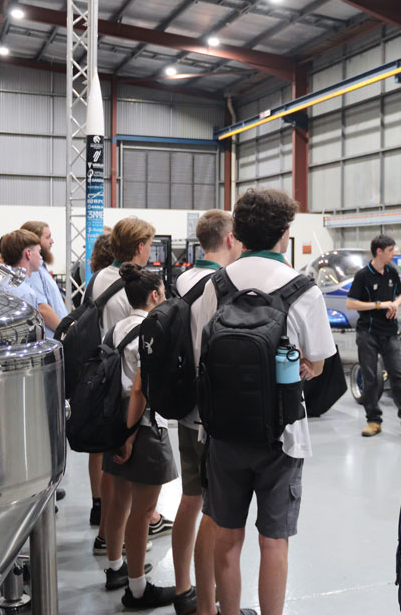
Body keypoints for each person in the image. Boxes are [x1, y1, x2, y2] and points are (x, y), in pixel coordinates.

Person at [205, 189, 334, 615]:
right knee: (273, 540)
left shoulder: (218, 284)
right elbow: (316, 363)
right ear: (285, 233)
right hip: (282, 435)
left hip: (223, 431)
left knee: (226, 536)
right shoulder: (302, 288)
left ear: (237, 233)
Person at [171, 210, 243, 615]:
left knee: (190, 499)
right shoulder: (217, 284)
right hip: (208, 413)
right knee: (214, 512)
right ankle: (207, 605)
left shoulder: (182, 280)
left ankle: (185, 588)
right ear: (230, 238)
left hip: (185, 408)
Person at [91, 218, 173, 557]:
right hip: (131, 399)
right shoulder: (131, 290)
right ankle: (127, 540)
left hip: (107, 385)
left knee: (114, 473)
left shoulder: (99, 279)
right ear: (140, 247)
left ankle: (109, 540)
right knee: (128, 486)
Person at [103, 262, 178, 608]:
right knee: (143, 510)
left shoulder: (116, 329)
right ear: (155, 294)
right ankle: (137, 589)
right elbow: (139, 389)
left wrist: (120, 431)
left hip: (114, 420)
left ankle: (117, 566)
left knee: (119, 500)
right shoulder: (150, 330)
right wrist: (131, 436)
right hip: (142, 427)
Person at [346, 235, 401, 438]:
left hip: (390, 334)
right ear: (379, 251)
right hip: (368, 334)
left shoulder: (392, 272)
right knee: (371, 380)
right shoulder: (362, 276)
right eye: (391, 250)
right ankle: (373, 421)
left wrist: (395, 303)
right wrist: (379, 305)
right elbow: (351, 303)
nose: (394, 254)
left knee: (399, 378)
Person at [0, 230, 61, 335]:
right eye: (39, 252)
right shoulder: (24, 292)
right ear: (28, 253)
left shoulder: (4, 284)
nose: (40, 257)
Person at [21, 221, 69, 339]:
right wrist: (64, 332)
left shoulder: (41, 268)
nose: (52, 241)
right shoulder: (33, 270)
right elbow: (41, 308)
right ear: (35, 241)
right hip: (52, 337)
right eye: (48, 237)